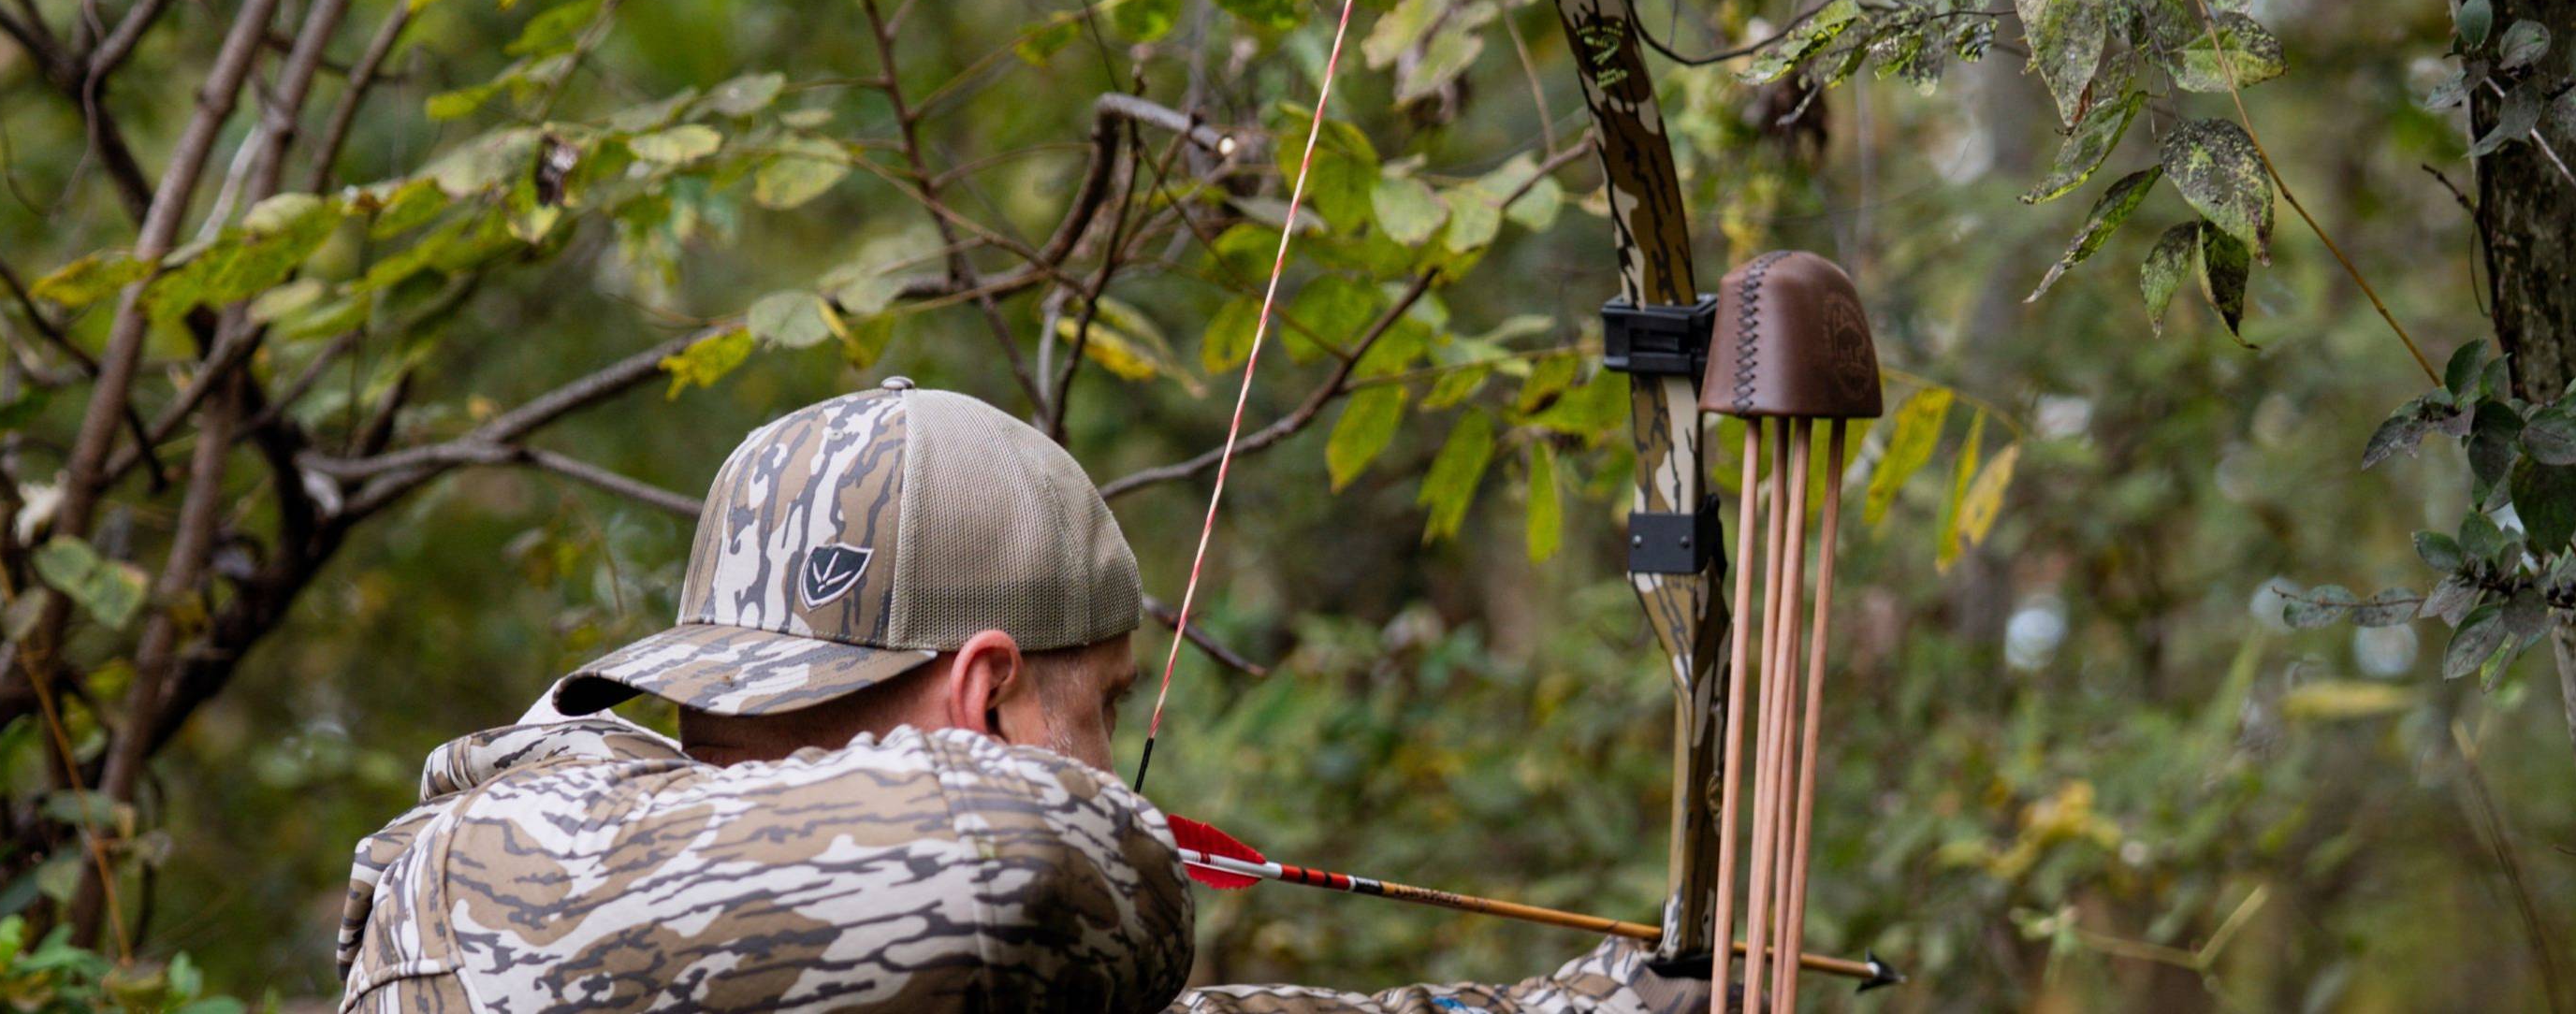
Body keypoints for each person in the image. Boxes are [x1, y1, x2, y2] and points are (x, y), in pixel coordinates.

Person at [335, 383, 1721, 1012]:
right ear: (986, 694)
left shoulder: (840, 955)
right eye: (1105, 702)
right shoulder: (517, 869)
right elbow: (1028, 861)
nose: (1120, 767)